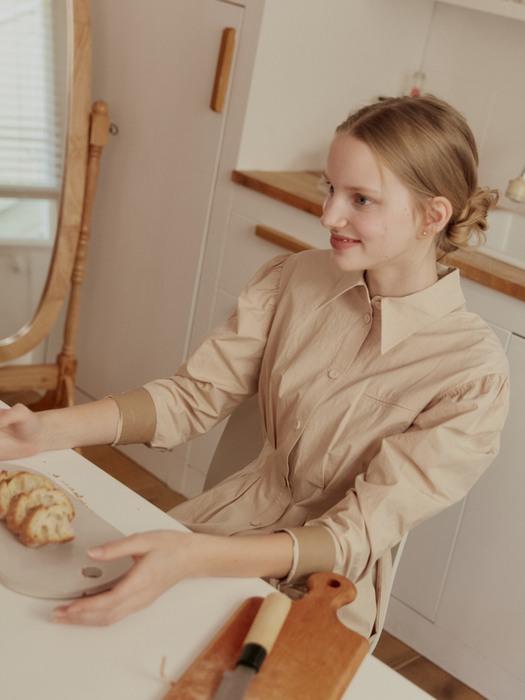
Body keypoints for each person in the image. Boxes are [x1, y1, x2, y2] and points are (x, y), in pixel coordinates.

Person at [0, 95, 509, 641]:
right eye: (330, 189)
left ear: (433, 216)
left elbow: (355, 532)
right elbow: (193, 397)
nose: (329, 215)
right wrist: (43, 432)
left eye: (361, 199)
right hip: (208, 534)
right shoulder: (296, 277)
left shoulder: (470, 375)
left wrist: (197, 557)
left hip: (320, 600)